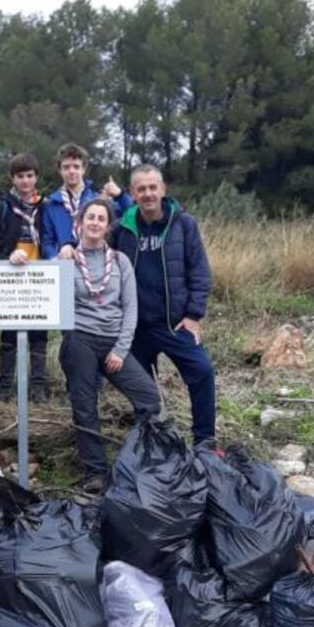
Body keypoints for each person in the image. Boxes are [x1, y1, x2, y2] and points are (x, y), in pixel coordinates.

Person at [56, 198, 161, 493]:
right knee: (85, 405)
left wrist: (120, 349)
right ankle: (95, 471)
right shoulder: (67, 259)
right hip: (80, 340)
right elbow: (38, 284)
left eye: (101, 219)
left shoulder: (120, 261)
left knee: (150, 400)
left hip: (114, 341)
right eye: (90, 217)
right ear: (80, 222)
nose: (95, 223)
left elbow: (131, 309)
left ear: (108, 225)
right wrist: (23, 258)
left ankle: (137, 461)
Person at [111, 164, 216, 444]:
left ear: (163, 189)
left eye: (152, 187)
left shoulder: (183, 224)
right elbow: (96, 252)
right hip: (136, 328)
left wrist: (194, 316)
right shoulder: (122, 228)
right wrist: (70, 247)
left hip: (174, 323)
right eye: (141, 189)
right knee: (142, 390)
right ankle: (152, 442)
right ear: (132, 193)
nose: (147, 194)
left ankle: (205, 441)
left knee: (202, 372)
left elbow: (200, 272)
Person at [0, 152, 49, 401]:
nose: (25, 181)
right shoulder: (2, 209)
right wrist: (6, 257)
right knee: (9, 334)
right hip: (10, 278)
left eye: (30, 176)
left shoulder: (46, 207)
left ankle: (39, 387)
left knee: (39, 335)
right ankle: (6, 387)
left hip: (40, 278)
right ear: (13, 178)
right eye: (20, 176)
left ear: (36, 177)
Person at [40, 142, 130, 260]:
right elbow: (47, 242)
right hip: (64, 264)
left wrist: (120, 195)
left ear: (84, 169)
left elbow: (130, 214)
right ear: (59, 170)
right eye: (66, 167)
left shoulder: (99, 201)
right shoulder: (51, 204)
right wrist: (55, 257)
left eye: (76, 166)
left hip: (94, 263)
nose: (71, 171)